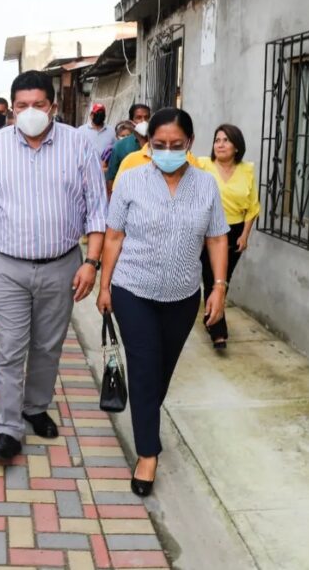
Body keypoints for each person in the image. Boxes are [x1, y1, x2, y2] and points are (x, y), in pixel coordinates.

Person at [0, 70, 107, 462]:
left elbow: (96, 210)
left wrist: (91, 262)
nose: (30, 112)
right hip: (6, 266)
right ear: (11, 110)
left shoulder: (79, 146)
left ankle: (35, 408)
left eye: (38, 105)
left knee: (47, 345)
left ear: (53, 106)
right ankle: (8, 428)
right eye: (21, 106)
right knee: (11, 348)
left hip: (62, 265)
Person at [96, 108, 229, 497]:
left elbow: (217, 238)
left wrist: (219, 286)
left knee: (160, 374)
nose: (167, 151)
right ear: (147, 143)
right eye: (159, 145)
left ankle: (145, 418)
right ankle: (147, 453)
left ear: (189, 143)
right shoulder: (131, 180)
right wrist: (105, 287)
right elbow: (114, 236)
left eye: (176, 145)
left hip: (184, 296)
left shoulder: (205, 185)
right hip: (132, 289)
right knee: (143, 367)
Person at [199, 124, 260, 349]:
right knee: (211, 277)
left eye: (226, 140)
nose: (220, 144)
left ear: (236, 146)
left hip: (233, 231)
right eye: (217, 140)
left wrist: (245, 235)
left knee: (225, 278)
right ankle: (217, 328)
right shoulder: (203, 165)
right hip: (208, 231)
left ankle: (212, 314)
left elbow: (252, 206)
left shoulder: (247, 170)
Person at [112, 131, 202, 189]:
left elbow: (199, 190)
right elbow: (118, 194)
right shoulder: (130, 160)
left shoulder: (188, 157)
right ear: (150, 137)